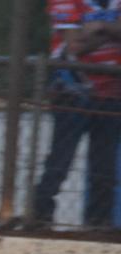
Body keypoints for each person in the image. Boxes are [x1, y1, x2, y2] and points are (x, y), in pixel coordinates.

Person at [33, 0, 121, 229]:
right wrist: (113, 31)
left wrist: (99, 27)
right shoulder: (65, 1)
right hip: (71, 92)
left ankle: (99, 222)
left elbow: (84, 40)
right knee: (61, 160)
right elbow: (74, 46)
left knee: (104, 166)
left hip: (111, 93)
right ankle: (40, 217)